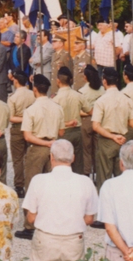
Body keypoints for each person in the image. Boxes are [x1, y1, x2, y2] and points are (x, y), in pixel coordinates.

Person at [22, 139, 99, 261]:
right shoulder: (85, 182)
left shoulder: (39, 180)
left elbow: (31, 217)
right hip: (73, 240)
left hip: (45, 239)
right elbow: (90, 218)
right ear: (73, 158)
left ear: (51, 158)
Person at [14, 74, 65, 240]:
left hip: (37, 147)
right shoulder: (57, 107)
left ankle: (30, 225)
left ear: (34, 89)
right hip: (53, 147)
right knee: (54, 186)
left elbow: (27, 136)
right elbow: (62, 132)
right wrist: (51, 142)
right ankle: (52, 221)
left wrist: (43, 143)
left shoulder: (31, 110)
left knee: (33, 187)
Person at [91, 67, 133, 191]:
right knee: (122, 177)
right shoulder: (126, 99)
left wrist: (112, 136)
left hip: (106, 141)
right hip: (123, 139)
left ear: (104, 81)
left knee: (104, 177)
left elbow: (95, 126)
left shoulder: (101, 101)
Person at [53, 66, 89, 174]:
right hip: (77, 132)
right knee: (78, 164)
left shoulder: (55, 99)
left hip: (63, 133)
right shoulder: (78, 95)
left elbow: (53, 121)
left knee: (62, 163)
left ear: (58, 81)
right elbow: (91, 110)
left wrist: (67, 123)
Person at [7, 72, 35, 198]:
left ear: (16, 81)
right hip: (32, 128)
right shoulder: (33, 94)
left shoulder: (13, 97)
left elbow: (11, 118)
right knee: (31, 157)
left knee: (18, 159)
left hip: (17, 129)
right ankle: (31, 182)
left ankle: (19, 186)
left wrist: (22, 118)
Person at [78, 65, 105, 180]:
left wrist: (89, 112)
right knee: (97, 149)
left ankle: (87, 173)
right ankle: (98, 173)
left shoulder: (82, 91)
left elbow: (79, 110)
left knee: (86, 149)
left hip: (86, 121)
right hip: (99, 120)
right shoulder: (102, 89)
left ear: (85, 77)